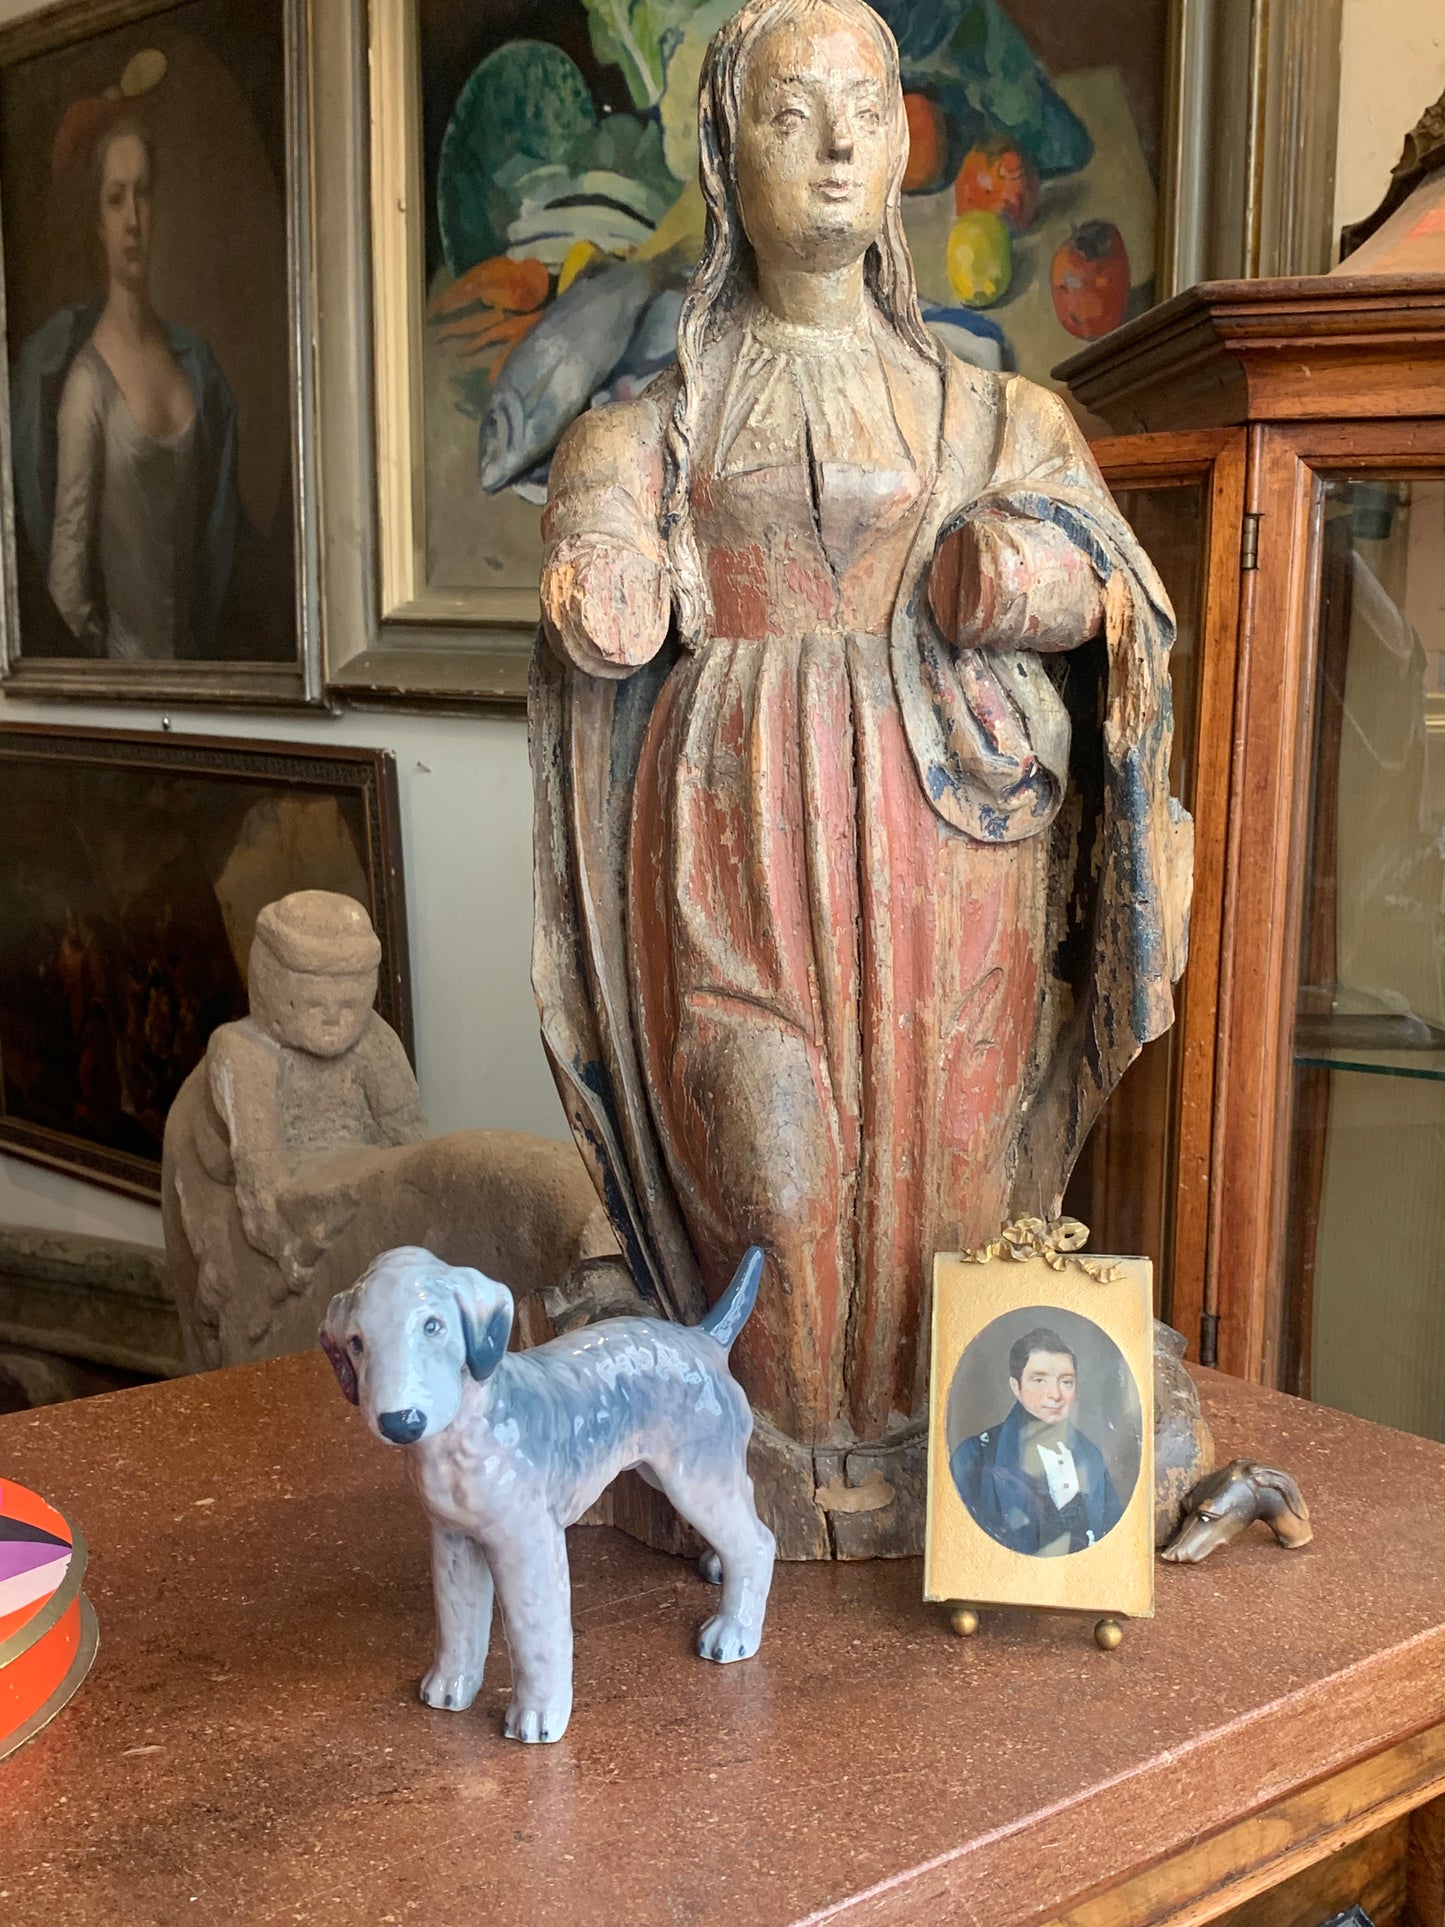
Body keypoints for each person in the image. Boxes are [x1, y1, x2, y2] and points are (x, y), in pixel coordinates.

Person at [531, 0, 1191, 1549]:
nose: (833, 145)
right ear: (722, 153)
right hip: (731, 836)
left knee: (954, 1167)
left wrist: (1013, 572)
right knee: (768, 1168)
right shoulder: (661, 419)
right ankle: (747, 1455)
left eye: (862, 111)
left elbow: (1113, 589)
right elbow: (598, 540)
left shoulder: (991, 410)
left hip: (951, 845)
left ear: (901, 140)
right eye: (787, 115)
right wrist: (606, 566)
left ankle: (934, 1462)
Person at [10, 116, 238, 660]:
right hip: (126, 687)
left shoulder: (196, 370)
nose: (132, 219)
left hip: (202, 683)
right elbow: (66, 589)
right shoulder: (88, 385)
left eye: (143, 196)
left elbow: (214, 549)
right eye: (115, 200)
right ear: (97, 222)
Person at [950, 1328, 1124, 1556]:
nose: (1056, 1395)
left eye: (1066, 1382)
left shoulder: (1091, 1456)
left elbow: (1115, 1542)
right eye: (1039, 1380)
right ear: (1016, 1387)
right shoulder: (975, 1455)